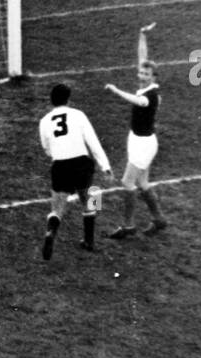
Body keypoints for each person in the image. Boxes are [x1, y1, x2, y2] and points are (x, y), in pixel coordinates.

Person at [38, 82, 112, 259]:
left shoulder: (44, 121)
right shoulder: (78, 115)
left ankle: (51, 232)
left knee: (57, 208)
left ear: (51, 101)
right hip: (81, 163)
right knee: (91, 198)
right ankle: (89, 241)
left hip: (60, 165)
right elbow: (93, 141)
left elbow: (46, 148)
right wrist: (105, 166)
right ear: (68, 100)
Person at [103, 60, 167, 238]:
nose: (142, 76)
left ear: (153, 77)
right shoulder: (148, 89)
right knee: (142, 182)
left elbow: (137, 100)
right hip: (138, 140)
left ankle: (128, 225)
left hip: (143, 145)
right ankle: (159, 219)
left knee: (127, 182)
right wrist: (142, 36)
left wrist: (116, 91)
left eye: (146, 74)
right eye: (141, 73)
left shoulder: (151, 95)